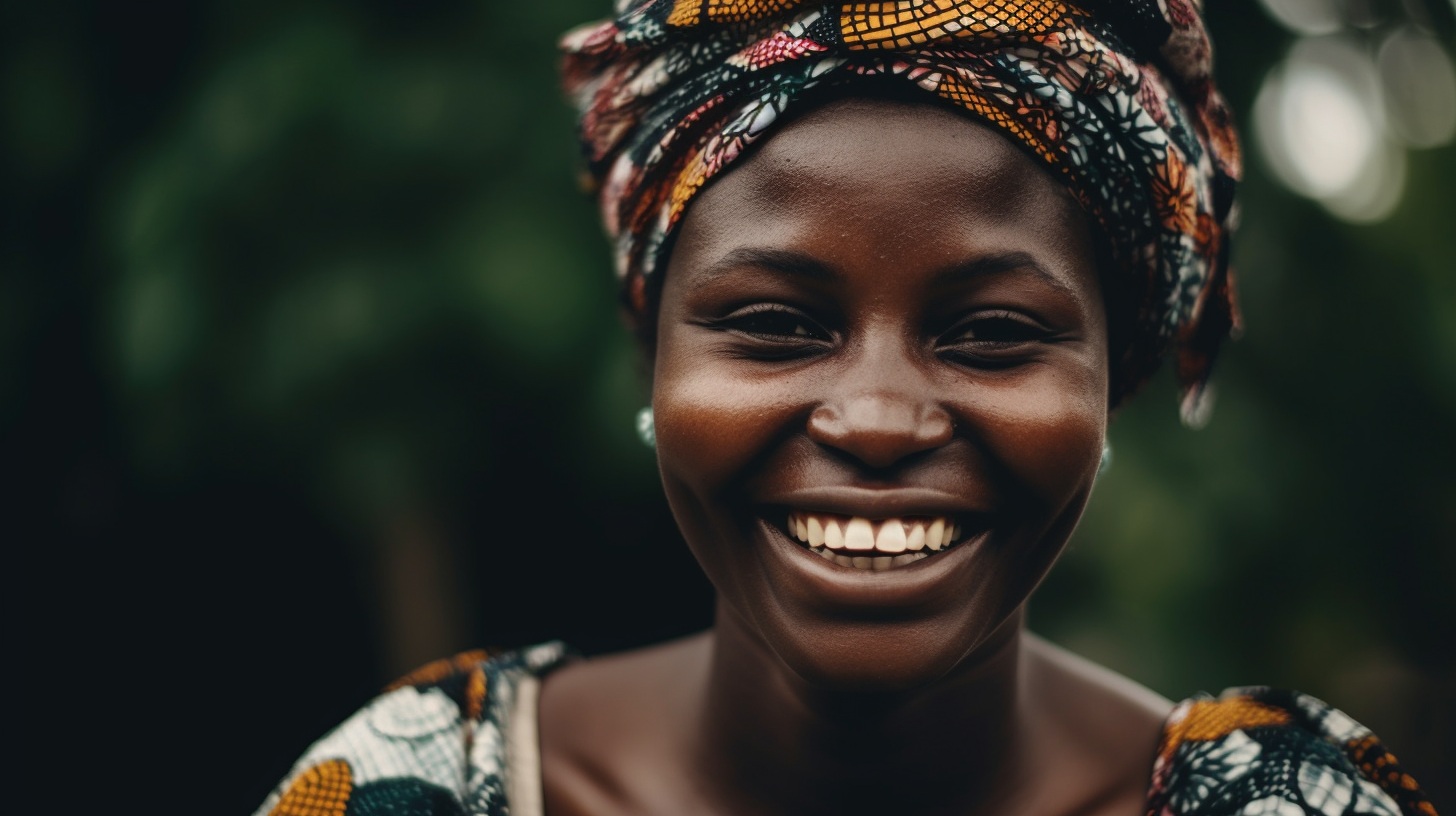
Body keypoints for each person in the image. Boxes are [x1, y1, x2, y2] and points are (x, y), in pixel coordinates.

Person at [253, 2, 1439, 815]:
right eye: (775, 324)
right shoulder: (409, 784)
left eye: (992, 335)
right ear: (653, 359)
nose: (877, 420)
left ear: (1108, 382)